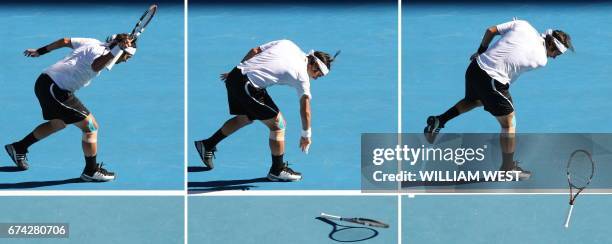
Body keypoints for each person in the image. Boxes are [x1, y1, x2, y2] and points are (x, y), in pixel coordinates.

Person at [424, 19, 573, 176]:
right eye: (558, 53)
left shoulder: (523, 24)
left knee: (474, 101)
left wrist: (481, 51)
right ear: (551, 45)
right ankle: (507, 168)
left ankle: (439, 120)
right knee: (509, 123)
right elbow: (511, 70)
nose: (556, 57)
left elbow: (490, 30)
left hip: (475, 67)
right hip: (493, 81)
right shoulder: (541, 60)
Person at [194, 39, 339, 182]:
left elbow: (255, 51)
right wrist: (306, 134)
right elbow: (305, 108)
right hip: (249, 86)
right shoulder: (302, 76)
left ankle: (207, 144)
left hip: (236, 76)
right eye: (318, 75)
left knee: (244, 118)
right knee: (278, 124)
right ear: (314, 65)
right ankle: (277, 170)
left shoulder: (288, 44)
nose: (317, 78)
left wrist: (234, 72)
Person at [4, 34, 136, 182]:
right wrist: (116, 50)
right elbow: (96, 65)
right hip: (56, 90)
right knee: (91, 126)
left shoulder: (93, 42)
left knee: (57, 124)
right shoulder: (104, 54)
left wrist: (40, 51)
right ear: (121, 50)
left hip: (45, 83)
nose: (125, 61)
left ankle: (18, 147)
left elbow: (65, 41)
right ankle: (91, 171)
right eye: (127, 57)